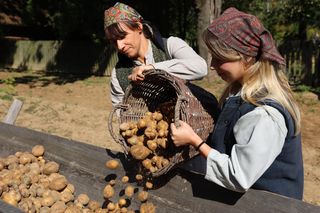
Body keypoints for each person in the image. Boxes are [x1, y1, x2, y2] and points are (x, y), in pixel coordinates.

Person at [170, 7, 304, 200]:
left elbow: (238, 176)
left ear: (246, 57)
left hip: (270, 206)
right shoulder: (239, 91)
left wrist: (195, 141)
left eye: (219, 58)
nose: (213, 65)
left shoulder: (264, 114)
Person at [104, 2, 208, 107]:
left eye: (122, 36)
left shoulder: (170, 46)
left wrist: (152, 68)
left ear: (139, 27)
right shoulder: (118, 75)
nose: (120, 46)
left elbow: (201, 68)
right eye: (113, 41)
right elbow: (121, 113)